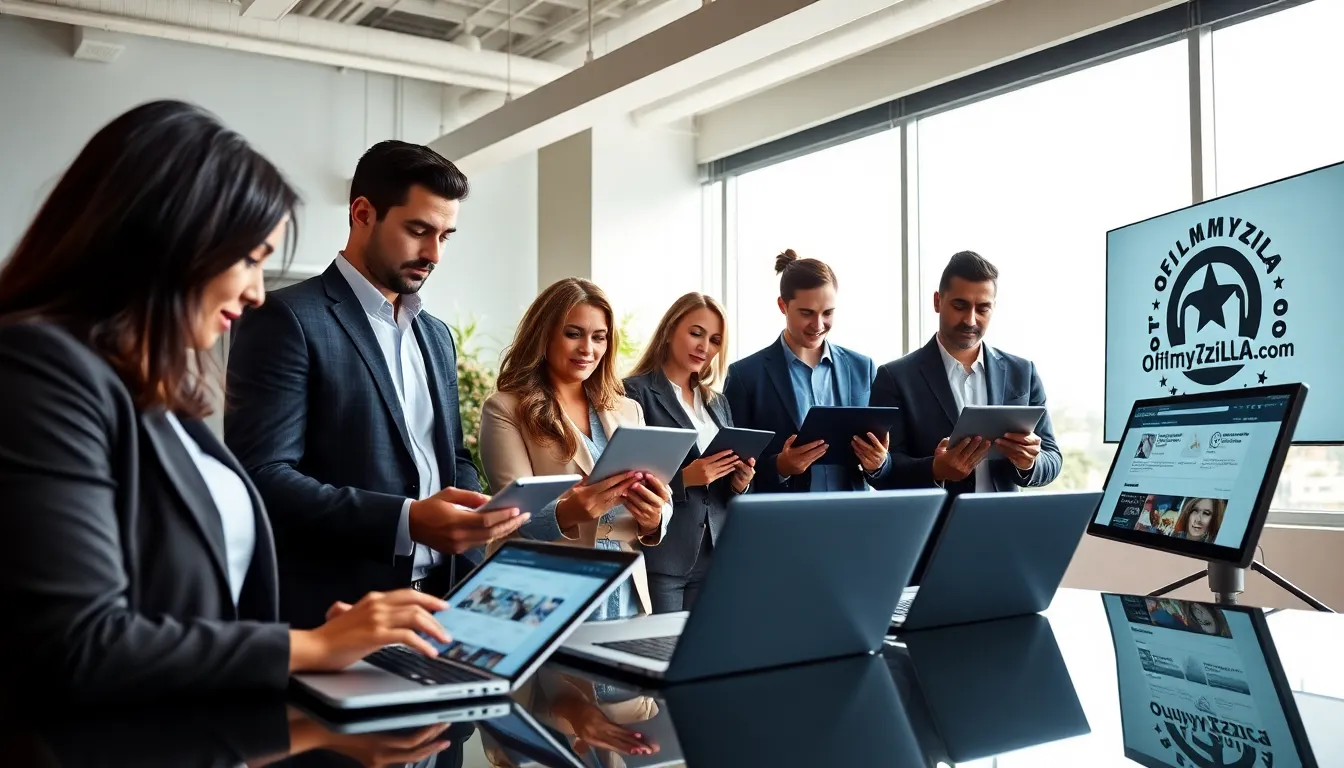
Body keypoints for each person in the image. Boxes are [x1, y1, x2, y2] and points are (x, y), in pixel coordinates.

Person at [0, 101, 456, 703]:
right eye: (249, 259)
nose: (255, 292)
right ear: (161, 239)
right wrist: (314, 647)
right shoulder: (38, 371)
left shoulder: (152, 399)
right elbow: (79, 643)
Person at [226, 140, 528, 629]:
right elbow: (262, 475)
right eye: (417, 230)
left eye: (445, 236)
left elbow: (453, 458)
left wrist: (475, 513)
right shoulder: (286, 319)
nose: (433, 253)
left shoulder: (436, 335)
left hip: (441, 607)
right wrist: (406, 520)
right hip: (336, 614)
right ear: (363, 213)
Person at [478, 278, 673, 619]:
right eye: (573, 333)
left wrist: (655, 517)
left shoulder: (628, 409)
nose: (588, 349)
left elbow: (661, 495)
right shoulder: (506, 408)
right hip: (544, 592)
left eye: (599, 337)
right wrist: (571, 510)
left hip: (624, 590)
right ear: (545, 335)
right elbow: (512, 513)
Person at [869, 251, 1061, 494]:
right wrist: (935, 470)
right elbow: (882, 471)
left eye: (982, 308)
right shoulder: (895, 377)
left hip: (1004, 526)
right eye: (960, 306)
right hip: (934, 528)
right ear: (938, 301)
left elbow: (1052, 458)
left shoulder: (1022, 372)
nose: (970, 320)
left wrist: (1029, 463)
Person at [624, 293, 755, 613]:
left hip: (718, 553)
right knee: (662, 654)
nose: (704, 347)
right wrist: (686, 479)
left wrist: (741, 482)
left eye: (714, 340)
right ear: (669, 331)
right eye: (696, 333)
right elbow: (627, 479)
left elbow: (725, 487)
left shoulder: (717, 402)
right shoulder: (634, 393)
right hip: (664, 554)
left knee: (707, 655)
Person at [724, 250, 889, 494]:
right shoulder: (746, 376)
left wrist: (879, 464)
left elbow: (886, 466)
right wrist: (781, 466)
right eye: (807, 313)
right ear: (783, 305)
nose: (819, 325)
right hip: (783, 522)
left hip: (852, 518)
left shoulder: (862, 369)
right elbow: (731, 474)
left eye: (828, 313)